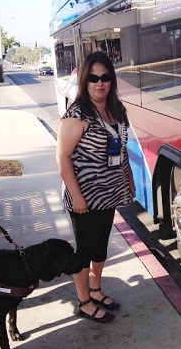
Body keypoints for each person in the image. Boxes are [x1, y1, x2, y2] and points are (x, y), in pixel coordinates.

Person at [56, 50, 135, 323]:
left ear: (111, 80)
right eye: (93, 78)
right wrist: (77, 197)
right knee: (84, 251)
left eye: (105, 77)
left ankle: (96, 289)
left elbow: (122, 148)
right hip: (85, 196)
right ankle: (84, 301)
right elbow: (62, 157)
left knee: (100, 247)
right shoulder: (77, 114)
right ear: (84, 82)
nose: (99, 83)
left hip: (109, 193)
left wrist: (129, 179)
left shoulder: (117, 110)